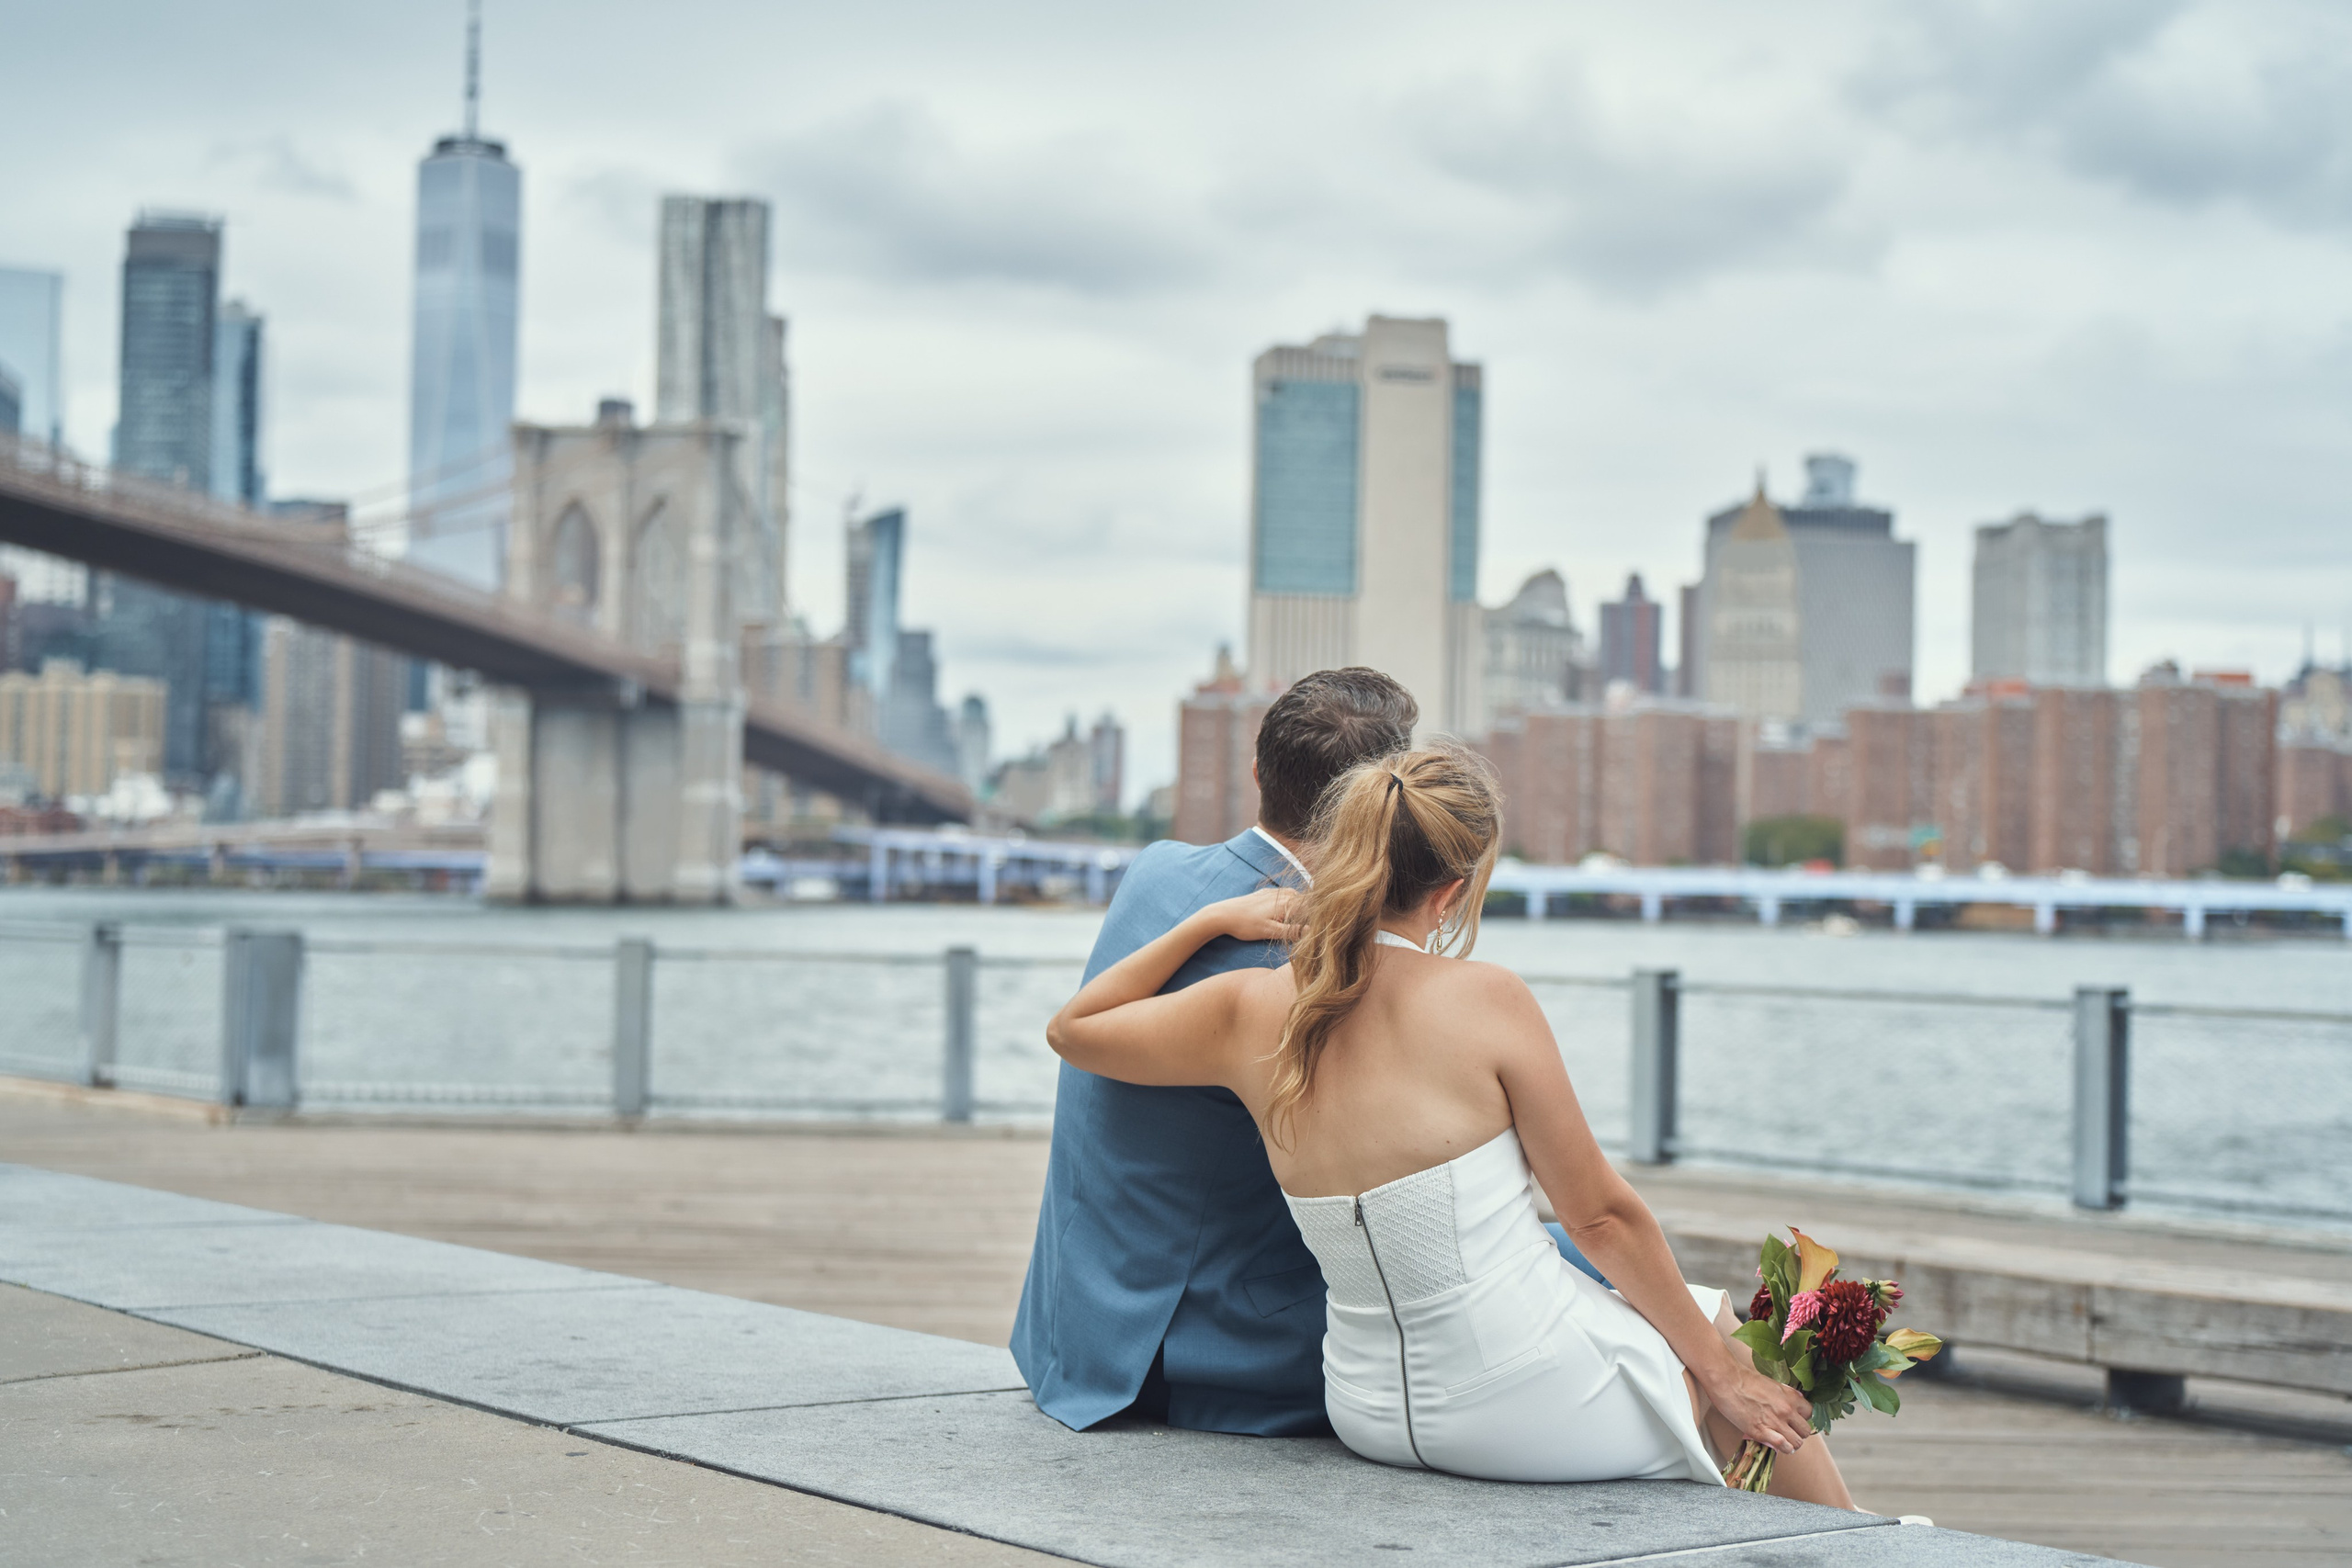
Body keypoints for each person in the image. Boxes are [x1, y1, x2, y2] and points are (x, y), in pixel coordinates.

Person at [1045, 741, 1858, 1503]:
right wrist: (1725, 1375)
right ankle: (1857, 1539)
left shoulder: (1244, 1009)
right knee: (1725, 1343)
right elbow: (1601, 1218)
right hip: (1526, 1398)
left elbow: (1073, 1029)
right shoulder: (1487, 999)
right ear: (1453, 889)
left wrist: (1209, 922)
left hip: (1366, 1408)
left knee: (1682, 1333)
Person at [1012, 669, 1609, 1438]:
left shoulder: (1156, 868)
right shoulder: (1324, 971)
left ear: (1258, 772)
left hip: (1071, 1331)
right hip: (1213, 1356)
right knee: (1568, 1259)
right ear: (1379, 806)